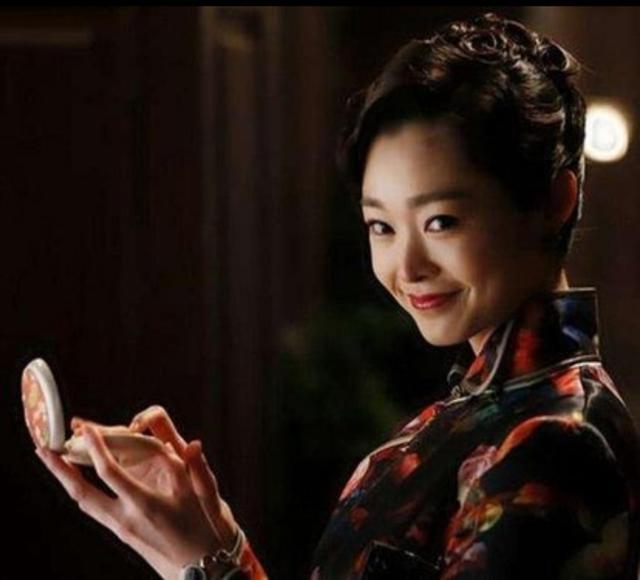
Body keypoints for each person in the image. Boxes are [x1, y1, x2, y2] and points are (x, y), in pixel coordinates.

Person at [35, 12, 640, 580]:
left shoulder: (555, 441)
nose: (407, 267)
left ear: (551, 202)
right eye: (382, 226)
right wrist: (212, 542)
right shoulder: (473, 414)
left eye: (440, 222)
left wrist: (208, 564)